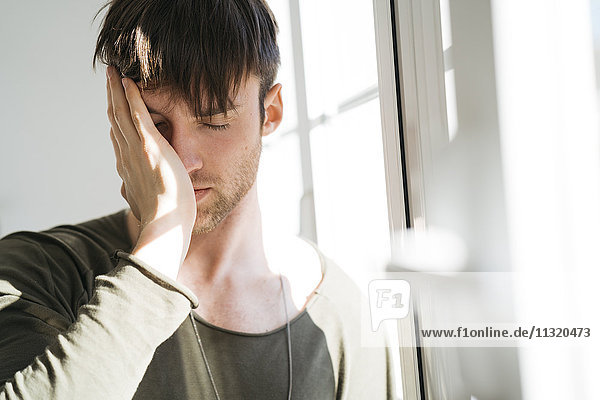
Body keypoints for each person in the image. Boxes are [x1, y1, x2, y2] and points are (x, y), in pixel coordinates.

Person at [0, 0, 394, 398]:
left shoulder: (339, 312)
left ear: (269, 114)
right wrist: (164, 236)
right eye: (155, 125)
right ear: (118, 120)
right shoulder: (36, 271)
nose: (182, 160)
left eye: (214, 121)